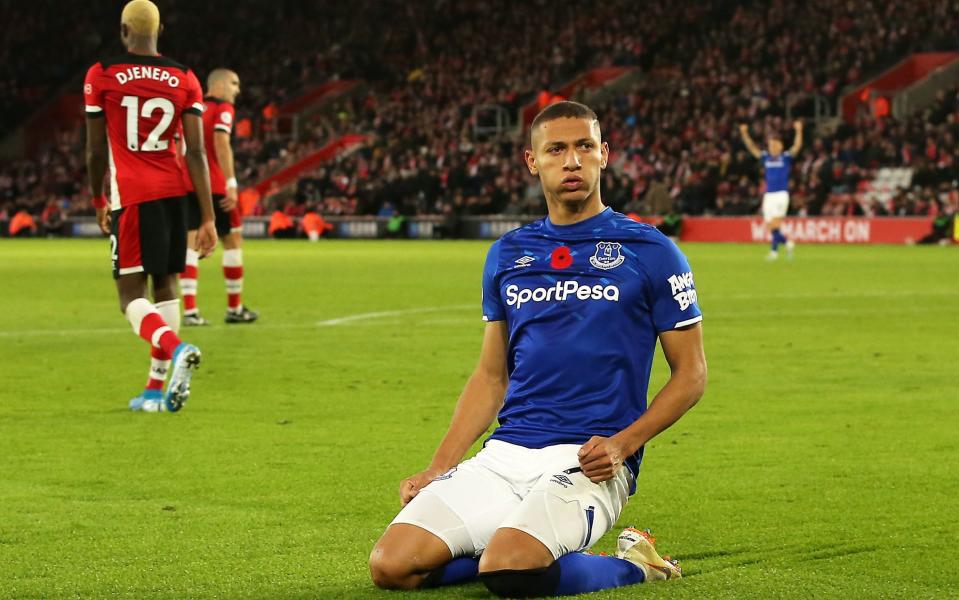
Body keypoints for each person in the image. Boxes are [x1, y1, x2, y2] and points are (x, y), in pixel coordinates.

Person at [369, 101, 707, 597]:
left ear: (604, 155)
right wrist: (438, 468)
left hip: (589, 459)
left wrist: (623, 445)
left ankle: (637, 564)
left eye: (584, 147)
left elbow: (691, 375)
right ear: (532, 161)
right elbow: (491, 376)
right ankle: (513, 549)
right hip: (505, 457)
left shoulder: (652, 251)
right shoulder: (508, 254)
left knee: (510, 571)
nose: (572, 161)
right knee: (391, 567)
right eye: (556, 150)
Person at [84, 0, 217, 412]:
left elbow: (93, 152)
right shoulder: (185, 77)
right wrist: (208, 216)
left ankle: (177, 349)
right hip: (175, 192)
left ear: (124, 30)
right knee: (165, 286)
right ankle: (155, 392)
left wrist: (97, 199)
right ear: (160, 31)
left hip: (132, 193)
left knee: (129, 296)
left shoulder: (102, 74)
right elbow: (195, 152)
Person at [179, 68, 259, 325]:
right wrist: (231, 183)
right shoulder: (223, 108)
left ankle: (191, 312)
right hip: (213, 184)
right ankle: (234, 309)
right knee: (233, 241)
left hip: (186, 182)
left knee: (191, 245)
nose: (237, 89)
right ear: (221, 84)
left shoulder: (191, 107)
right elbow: (221, 141)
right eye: (234, 83)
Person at [740, 121, 803, 260]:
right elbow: (752, 148)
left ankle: (774, 252)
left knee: (775, 223)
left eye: (775, 145)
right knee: (770, 226)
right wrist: (744, 133)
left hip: (781, 194)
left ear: (780, 146)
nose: (773, 147)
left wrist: (799, 130)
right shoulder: (766, 158)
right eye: (771, 145)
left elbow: (797, 146)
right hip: (769, 195)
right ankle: (788, 243)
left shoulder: (785, 157)